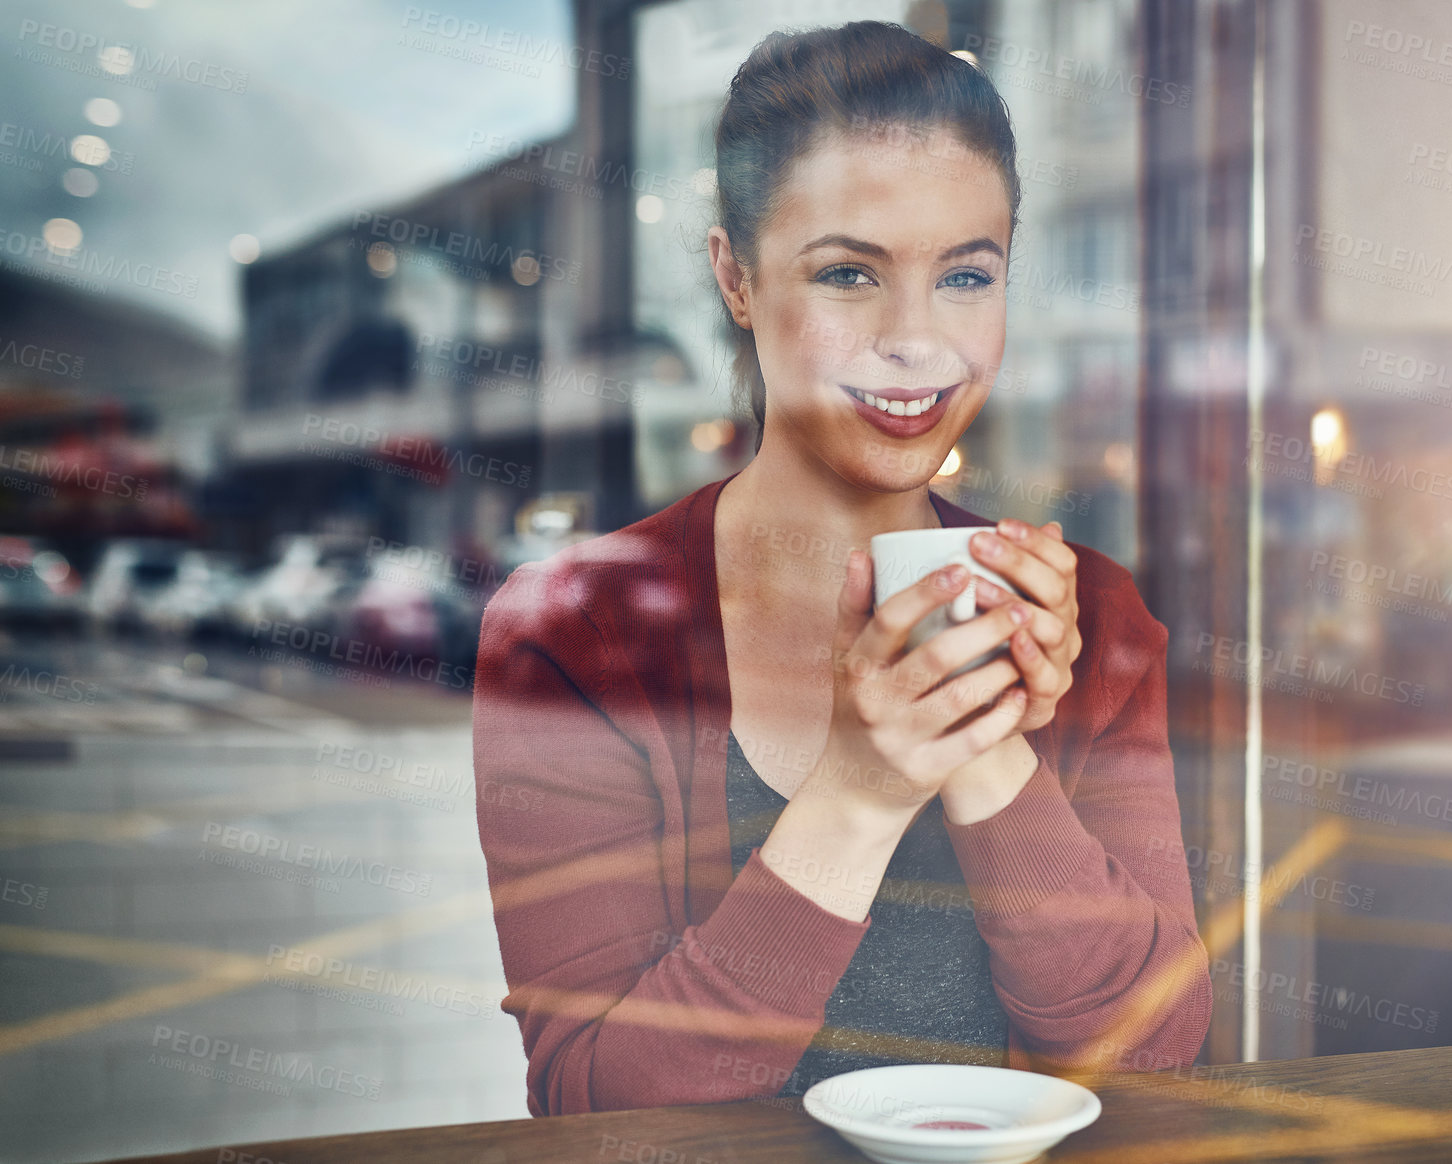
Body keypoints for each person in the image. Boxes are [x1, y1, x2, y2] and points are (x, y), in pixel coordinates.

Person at [473, 20, 1212, 1118]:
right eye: (847, 274)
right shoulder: (573, 634)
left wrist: (988, 748)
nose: (917, 340)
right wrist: (857, 793)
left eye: (967, 273)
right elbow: (599, 1108)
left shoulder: (1089, 617)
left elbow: (1152, 1051)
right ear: (734, 275)